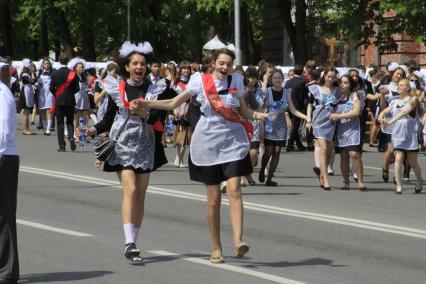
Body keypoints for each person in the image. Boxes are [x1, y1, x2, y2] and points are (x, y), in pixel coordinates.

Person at [131, 48, 268, 264]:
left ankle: (239, 240)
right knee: (213, 200)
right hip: (208, 142)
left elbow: (244, 111)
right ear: (213, 63)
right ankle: (216, 248)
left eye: (228, 64)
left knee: (234, 189)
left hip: (232, 140)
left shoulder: (237, 81)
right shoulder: (200, 82)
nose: (225, 68)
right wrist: (146, 103)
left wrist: (257, 115)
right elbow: (173, 103)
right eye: (221, 63)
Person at [85, 41, 167, 262]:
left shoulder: (155, 90)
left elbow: (159, 124)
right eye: (135, 63)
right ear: (127, 66)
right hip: (121, 146)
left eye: (143, 63)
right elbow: (108, 119)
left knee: (140, 195)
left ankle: (134, 241)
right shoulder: (116, 88)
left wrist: (144, 114)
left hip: (145, 146)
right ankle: (129, 242)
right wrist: (92, 129)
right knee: (130, 190)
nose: (139, 67)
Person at [259, 69, 311, 186]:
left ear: (283, 79)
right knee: (268, 151)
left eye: (280, 77)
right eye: (275, 78)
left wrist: (307, 117)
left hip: (281, 124)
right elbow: (261, 107)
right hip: (269, 122)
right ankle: (263, 169)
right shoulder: (267, 91)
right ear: (272, 80)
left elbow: (292, 109)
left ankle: (269, 179)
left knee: (277, 151)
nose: (278, 80)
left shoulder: (287, 92)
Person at [378, 79, 423, 194]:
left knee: (413, 163)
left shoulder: (414, 100)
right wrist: (381, 116)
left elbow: (403, 112)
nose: (399, 87)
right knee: (398, 158)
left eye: (402, 85)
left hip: (410, 133)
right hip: (397, 133)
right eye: (398, 85)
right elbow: (385, 111)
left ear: (408, 88)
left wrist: (390, 122)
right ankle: (399, 185)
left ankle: (419, 181)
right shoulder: (394, 101)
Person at [0, 62, 20, 284]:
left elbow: (3, 127)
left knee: (4, 216)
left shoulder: (2, 93)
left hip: (3, 156)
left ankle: (7, 272)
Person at [330, 75, 366, 191]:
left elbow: (356, 112)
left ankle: (360, 181)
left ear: (351, 84)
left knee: (354, 154)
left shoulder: (355, 96)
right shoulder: (336, 97)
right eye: (340, 82)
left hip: (353, 129)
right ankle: (346, 181)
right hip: (340, 130)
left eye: (345, 83)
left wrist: (339, 116)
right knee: (343, 155)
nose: (342, 85)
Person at [307, 67, 340, 190]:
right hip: (319, 121)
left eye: (333, 77)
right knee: (323, 148)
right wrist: (309, 120)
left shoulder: (337, 91)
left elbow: (339, 105)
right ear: (324, 76)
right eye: (328, 76)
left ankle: (322, 173)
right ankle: (326, 179)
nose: (330, 79)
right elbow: (310, 105)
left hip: (331, 122)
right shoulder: (316, 89)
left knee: (329, 150)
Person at [50, 53, 80, 152]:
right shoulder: (73, 73)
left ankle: (62, 146)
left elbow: (51, 88)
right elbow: (77, 88)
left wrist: (57, 94)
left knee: (59, 123)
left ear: (59, 60)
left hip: (59, 101)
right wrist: (69, 94)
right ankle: (71, 137)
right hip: (70, 100)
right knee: (70, 122)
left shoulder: (55, 73)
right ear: (68, 61)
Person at [285, 64, 309, 152]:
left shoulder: (288, 82)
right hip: (298, 107)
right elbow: (305, 95)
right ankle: (290, 145)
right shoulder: (303, 81)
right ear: (302, 72)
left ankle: (299, 144)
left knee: (294, 126)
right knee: (295, 126)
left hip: (288, 105)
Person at [37, 58, 55, 135]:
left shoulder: (53, 72)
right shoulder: (40, 73)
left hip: (50, 93)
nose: (46, 65)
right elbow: (38, 82)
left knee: (49, 110)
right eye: (45, 63)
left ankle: (48, 129)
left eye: (48, 63)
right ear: (43, 65)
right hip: (42, 93)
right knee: (42, 110)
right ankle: (45, 127)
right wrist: (37, 85)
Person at [19, 59, 36, 135]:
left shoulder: (27, 73)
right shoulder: (25, 74)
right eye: (30, 64)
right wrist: (32, 73)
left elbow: (34, 81)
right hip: (25, 94)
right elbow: (32, 81)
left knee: (27, 112)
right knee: (26, 112)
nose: (31, 66)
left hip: (28, 93)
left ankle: (27, 128)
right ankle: (25, 129)